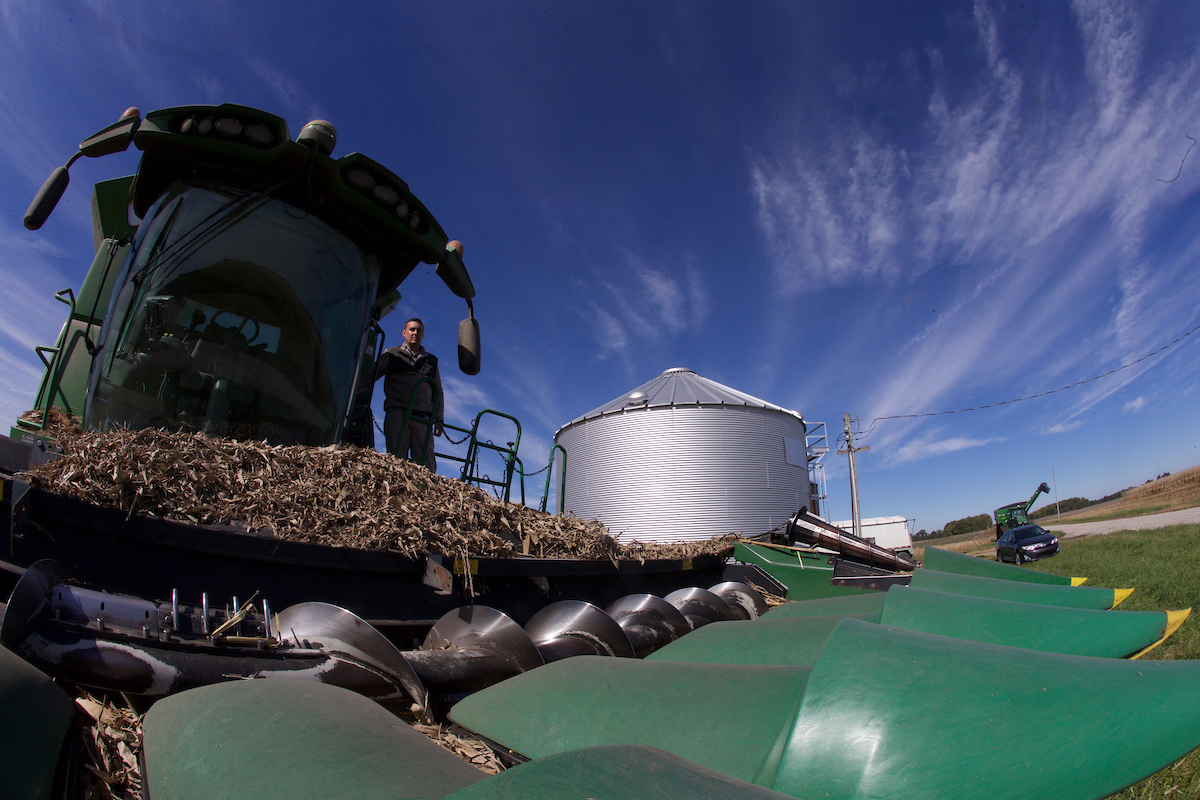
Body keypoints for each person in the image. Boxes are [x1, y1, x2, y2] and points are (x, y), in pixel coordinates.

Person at [373, 317, 444, 469]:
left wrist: (439, 418)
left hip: (423, 417)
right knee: (397, 462)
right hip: (398, 413)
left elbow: (438, 391)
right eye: (412, 329)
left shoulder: (431, 361)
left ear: (422, 335)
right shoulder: (391, 354)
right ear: (404, 332)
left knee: (426, 465)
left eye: (419, 330)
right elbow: (369, 376)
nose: (415, 333)